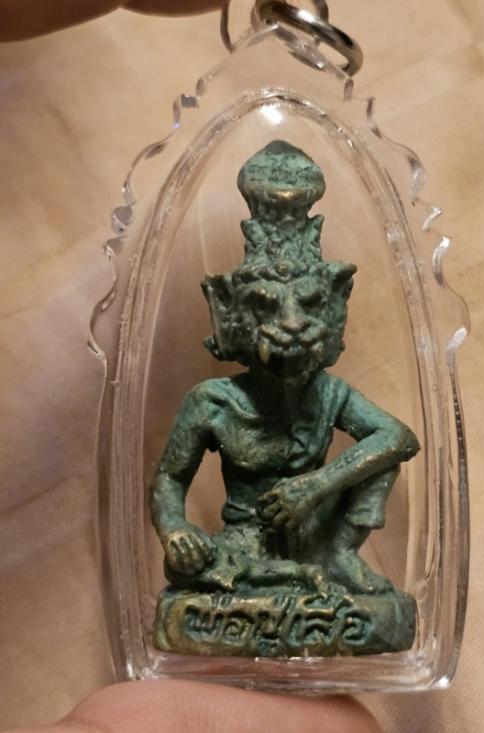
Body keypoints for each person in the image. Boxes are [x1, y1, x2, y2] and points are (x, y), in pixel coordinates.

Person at [1, 3, 381, 732]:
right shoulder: (213, 403)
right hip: (240, 550)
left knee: (375, 469)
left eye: (308, 305)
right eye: (267, 307)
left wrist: (320, 484)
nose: (291, 324)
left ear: (334, 306)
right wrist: (175, 529)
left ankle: (340, 559)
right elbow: (169, 481)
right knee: (196, 584)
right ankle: (285, 581)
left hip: (317, 539)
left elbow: (397, 437)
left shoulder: (330, 396)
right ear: (229, 314)